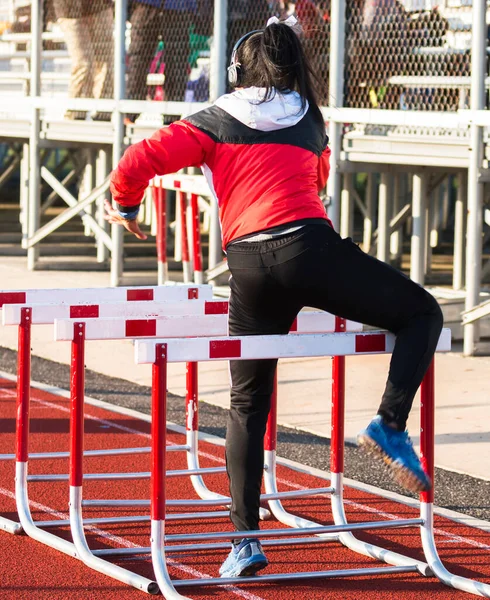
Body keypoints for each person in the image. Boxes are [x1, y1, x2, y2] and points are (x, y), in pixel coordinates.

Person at [106, 16, 443, 578]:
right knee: (422, 313)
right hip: (310, 252)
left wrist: (127, 205)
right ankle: (388, 423)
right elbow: (318, 183)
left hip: (250, 267)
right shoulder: (310, 118)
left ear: (238, 69)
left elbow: (138, 160)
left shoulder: (215, 117)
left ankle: (244, 541)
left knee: (248, 402)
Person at [126, 0, 195, 123]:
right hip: (146, 5)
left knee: (176, 62)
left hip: (177, 7)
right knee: (138, 58)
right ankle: (129, 115)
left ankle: (172, 119)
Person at [51, 0, 114, 120]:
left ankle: (103, 114)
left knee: (106, 62)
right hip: (70, 9)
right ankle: (75, 114)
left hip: (100, 6)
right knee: (84, 64)